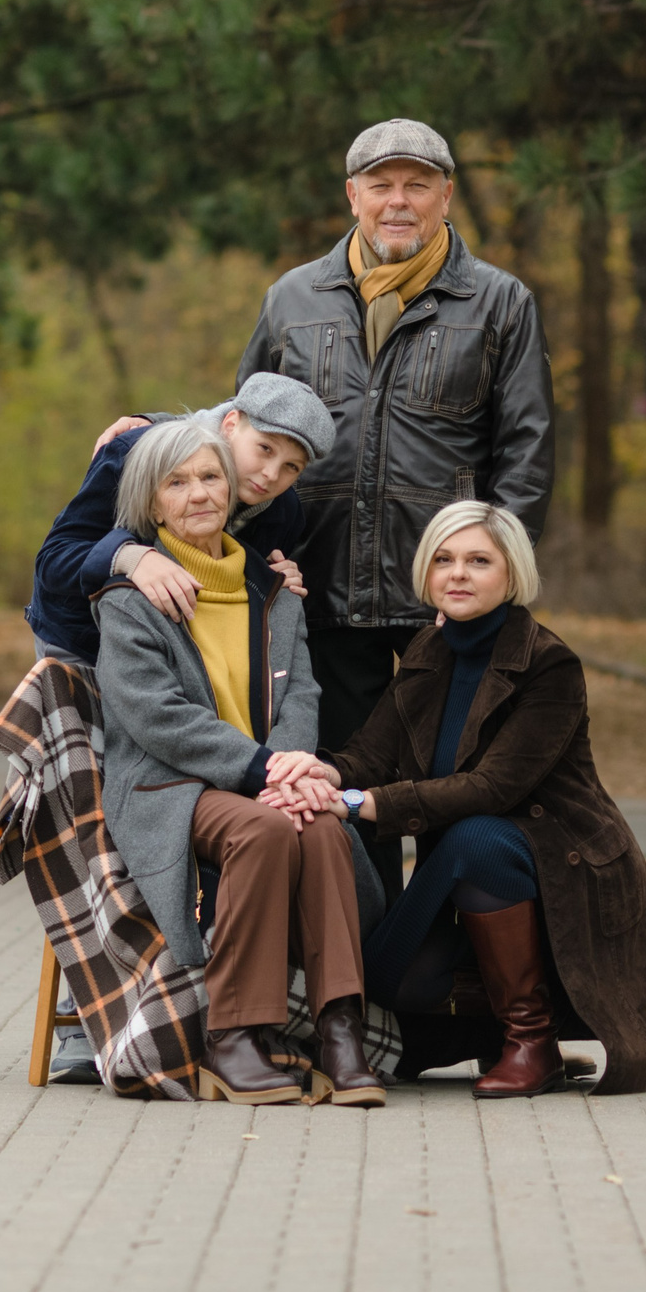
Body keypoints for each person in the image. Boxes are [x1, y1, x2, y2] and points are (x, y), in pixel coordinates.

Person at [238, 119, 554, 901]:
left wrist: (491, 585)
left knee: (454, 796)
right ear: (353, 195)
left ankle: (449, 993)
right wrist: (149, 429)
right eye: (381, 185)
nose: (398, 201)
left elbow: (528, 450)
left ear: (447, 195)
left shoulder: (499, 302)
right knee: (341, 800)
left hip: (442, 604)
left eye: (417, 184)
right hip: (321, 596)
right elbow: (238, 436)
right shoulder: (292, 299)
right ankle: (370, 993)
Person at [263, 502, 646, 1097]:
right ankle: (485, 1038)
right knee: (388, 982)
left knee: (476, 836)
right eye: (445, 560)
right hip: (463, 873)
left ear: (511, 574)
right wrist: (317, 772)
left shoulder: (548, 665)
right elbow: (370, 754)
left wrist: (357, 803)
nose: (458, 574)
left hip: (563, 870)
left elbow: (493, 788)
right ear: (426, 572)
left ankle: (532, 1041)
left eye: (479, 561)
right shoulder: (430, 650)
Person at [92, 417, 385, 1107]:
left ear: (232, 488)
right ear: (152, 501)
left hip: (265, 779)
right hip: (168, 786)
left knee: (316, 823)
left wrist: (290, 768)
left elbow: (302, 692)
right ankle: (235, 1035)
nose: (199, 493)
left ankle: (339, 1029)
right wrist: (267, 772)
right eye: (178, 481)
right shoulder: (132, 601)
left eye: (211, 476)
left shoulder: (275, 589)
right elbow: (160, 719)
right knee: (270, 826)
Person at [27, 372, 335, 666]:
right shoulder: (135, 453)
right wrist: (128, 556)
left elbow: (236, 601)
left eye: (291, 467)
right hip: (83, 642)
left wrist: (270, 583)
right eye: (264, 449)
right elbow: (53, 560)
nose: (271, 475)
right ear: (230, 425)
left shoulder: (284, 512)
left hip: (186, 657)